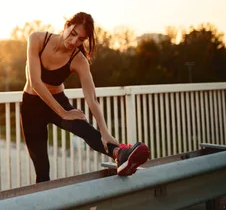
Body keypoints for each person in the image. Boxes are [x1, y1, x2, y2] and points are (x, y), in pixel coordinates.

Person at [21, 12, 149, 183]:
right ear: (67, 26)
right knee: (42, 167)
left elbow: (92, 98)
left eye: (81, 39)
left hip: (57, 99)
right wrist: (63, 113)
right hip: (32, 106)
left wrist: (104, 131)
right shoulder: (37, 39)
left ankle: (120, 155)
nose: (74, 42)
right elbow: (35, 82)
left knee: (85, 129)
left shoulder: (79, 60)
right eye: (73, 33)